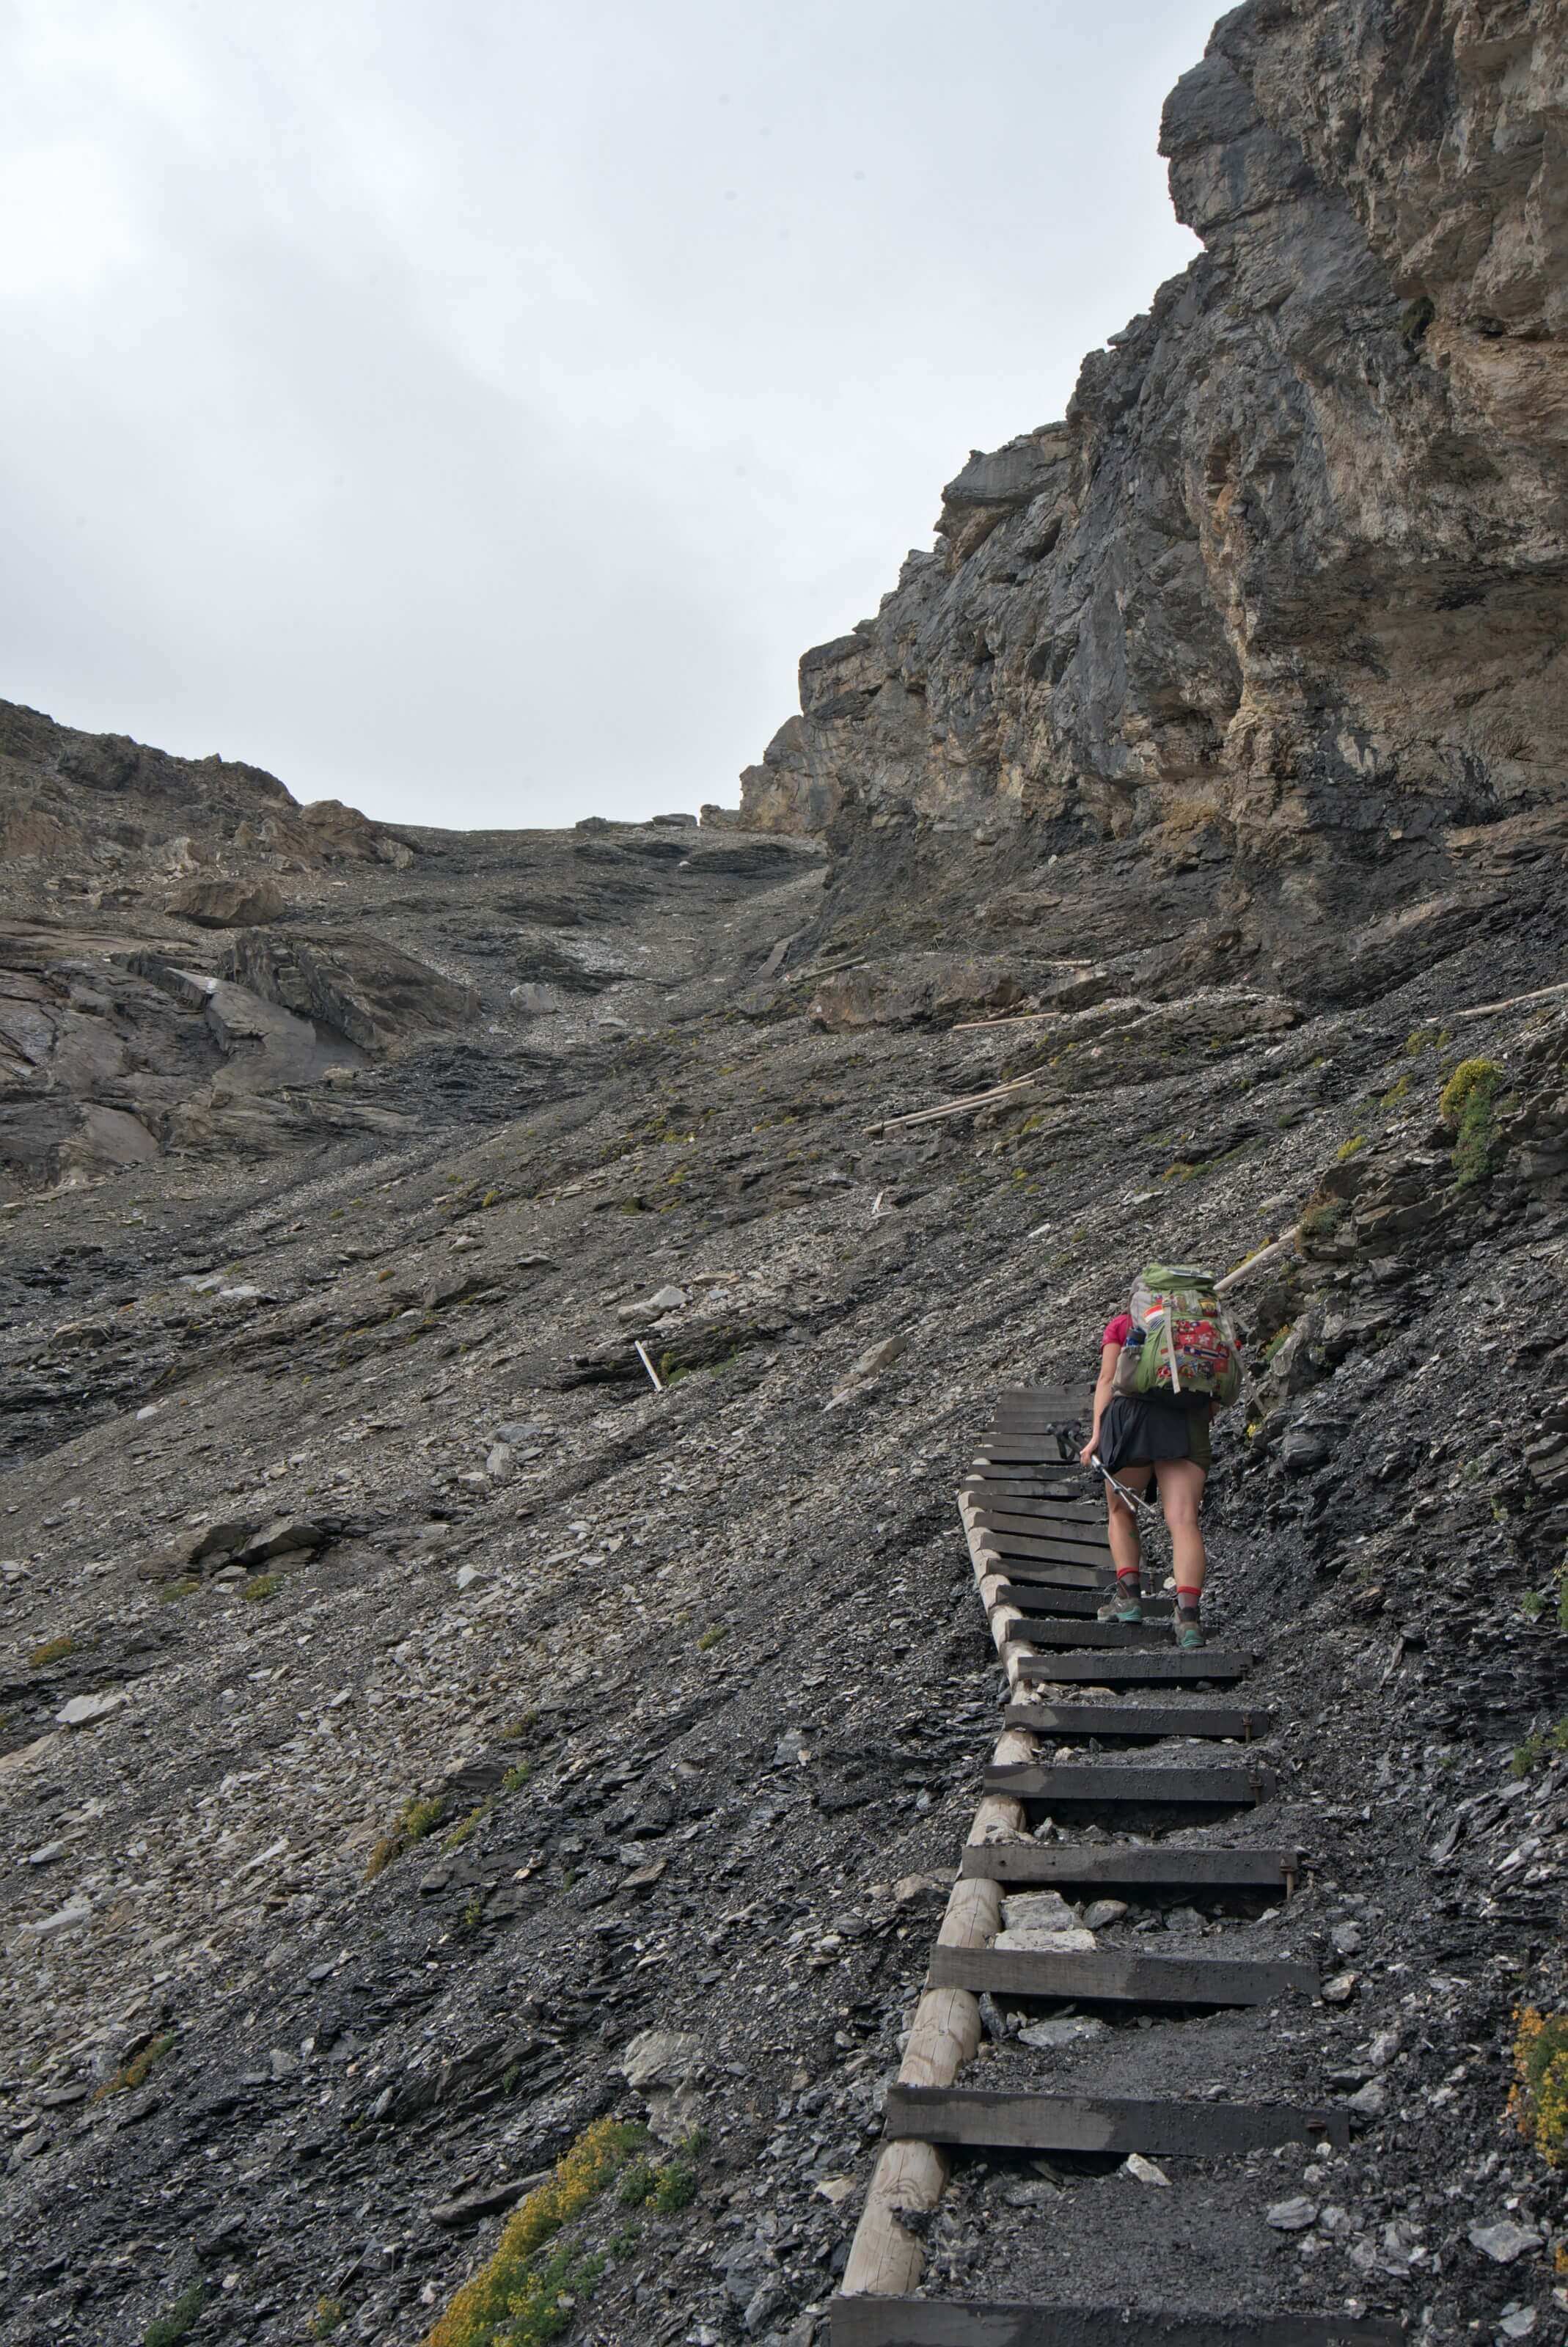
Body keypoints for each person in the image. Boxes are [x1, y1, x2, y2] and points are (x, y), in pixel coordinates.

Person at [1080, 1305, 1215, 1651]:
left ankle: (1128, 1599)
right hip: (1186, 1421)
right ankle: (1188, 1620)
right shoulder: (1202, 1327)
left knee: (1121, 1511)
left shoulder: (1124, 1324)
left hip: (1131, 1421)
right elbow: (1220, 1384)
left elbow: (1107, 1380)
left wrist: (1096, 1436)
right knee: (1184, 1521)